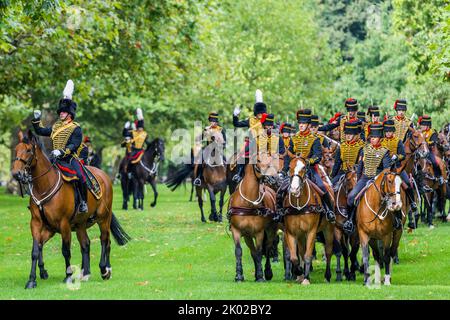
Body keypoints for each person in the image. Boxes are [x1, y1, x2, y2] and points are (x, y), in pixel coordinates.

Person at [31, 80, 88, 213]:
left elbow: (74, 145)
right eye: (60, 112)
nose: (61, 113)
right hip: (55, 159)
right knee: (38, 172)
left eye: (63, 112)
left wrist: (61, 152)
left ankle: (83, 202)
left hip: (69, 159)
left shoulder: (76, 128)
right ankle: (36, 198)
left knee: (81, 176)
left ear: (70, 114)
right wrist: (36, 120)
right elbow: (41, 131)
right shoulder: (56, 126)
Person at [286, 109, 335, 222]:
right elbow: (289, 155)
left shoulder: (315, 139)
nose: (301, 126)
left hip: (310, 170)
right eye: (300, 124)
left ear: (308, 125)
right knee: (282, 188)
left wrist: (308, 162)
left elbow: (318, 156)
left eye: (303, 124)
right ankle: (280, 213)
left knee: (322, 188)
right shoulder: (294, 138)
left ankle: (329, 211)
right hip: (295, 170)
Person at [343, 123, 392, 234]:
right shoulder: (363, 150)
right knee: (351, 198)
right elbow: (360, 167)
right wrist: (358, 181)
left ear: (380, 138)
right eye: (372, 137)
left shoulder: (385, 152)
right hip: (364, 179)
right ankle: (350, 221)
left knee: (391, 197)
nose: (372, 139)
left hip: (378, 180)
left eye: (375, 138)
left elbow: (386, 169)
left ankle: (396, 220)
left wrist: (378, 178)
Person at [382, 119, 418, 229]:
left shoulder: (398, 142)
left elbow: (403, 155)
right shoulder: (382, 142)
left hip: (397, 169)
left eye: (390, 131)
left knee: (407, 184)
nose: (388, 133)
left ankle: (412, 203)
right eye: (386, 132)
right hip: (384, 170)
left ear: (393, 131)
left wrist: (396, 157)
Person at [232, 89, 267, 182]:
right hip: (252, 143)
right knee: (242, 155)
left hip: (265, 142)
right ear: (256, 112)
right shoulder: (250, 120)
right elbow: (237, 124)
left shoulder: (266, 120)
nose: (260, 114)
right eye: (259, 113)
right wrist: (235, 116)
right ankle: (239, 174)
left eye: (261, 113)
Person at [193, 112, 226, 186]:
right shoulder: (206, 129)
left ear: (217, 122)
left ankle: (227, 178)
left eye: (214, 121)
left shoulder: (221, 129)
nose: (213, 122)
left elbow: (225, 141)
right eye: (211, 121)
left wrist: (222, 147)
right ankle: (198, 178)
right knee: (201, 161)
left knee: (226, 161)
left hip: (218, 149)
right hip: (208, 149)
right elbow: (198, 138)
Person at [330, 120, 365, 186]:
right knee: (331, 186)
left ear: (356, 135)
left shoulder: (362, 147)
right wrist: (332, 176)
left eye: (350, 134)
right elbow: (337, 164)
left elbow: (362, 164)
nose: (348, 136)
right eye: (346, 134)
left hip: (356, 173)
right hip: (343, 172)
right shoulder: (342, 146)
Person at [419, 115, 445, 185]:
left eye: (422, 125)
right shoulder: (419, 133)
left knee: (434, 161)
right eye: (421, 124)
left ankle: (439, 177)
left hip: (429, 151)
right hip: (419, 151)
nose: (421, 126)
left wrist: (426, 143)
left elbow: (434, 142)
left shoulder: (432, 132)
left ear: (427, 125)